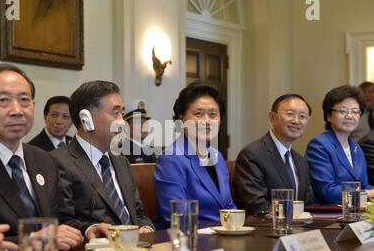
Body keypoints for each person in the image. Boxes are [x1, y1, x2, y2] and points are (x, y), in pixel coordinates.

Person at [0, 64, 83, 250]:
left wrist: (91, 230)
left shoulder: (44, 160)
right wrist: (32, 242)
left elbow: (61, 220)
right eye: (4, 100)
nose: (17, 110)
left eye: (24, 100)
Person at [51, 80, 154, 239]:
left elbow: (138, 214)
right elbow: (61, 222)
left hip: (136, 249)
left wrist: (146, 228)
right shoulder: (58, 162)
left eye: (123, 112)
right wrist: (90, 229)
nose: (122, 121)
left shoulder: (121, 162)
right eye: (115, 112)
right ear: (87, 119)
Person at [154, 82, 236, 229]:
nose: (206, 121)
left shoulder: (217, 156)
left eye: (213, 115)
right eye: (198, 114)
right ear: (181, 119)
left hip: (224, 239)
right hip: (190, 242)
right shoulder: (171, 158)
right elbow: (178, 217)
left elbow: (228, 206)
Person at [233, 94, 315, 214]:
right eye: (290, 114)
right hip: (264, 229)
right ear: (272, 117)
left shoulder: (301, 161)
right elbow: (257, 205)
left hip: (297, 229)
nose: (296, 121)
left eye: (302, 116)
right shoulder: (252, 154)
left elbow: (307, 203)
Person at [305, 85, 374, 203]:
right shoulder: (319, 145)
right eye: (343, 111)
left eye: (355, 112)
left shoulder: (356, 148)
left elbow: (365, 185)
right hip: (329, 217)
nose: (349, 116)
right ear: (328, 116)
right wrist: (367, 193)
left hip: (355, 214)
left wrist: (369, 191)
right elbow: (327, 191)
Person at [122, 99, 156, 163]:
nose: (143, 125)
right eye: (138, 122)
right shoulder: (123, 151)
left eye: (145, 121)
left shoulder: (148, 149)